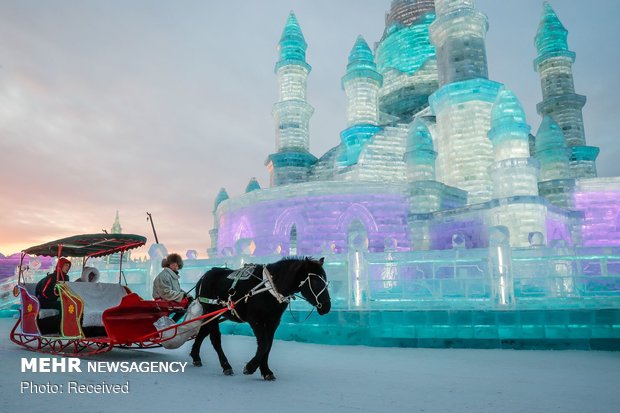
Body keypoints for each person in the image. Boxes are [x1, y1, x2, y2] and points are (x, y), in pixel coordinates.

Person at [153, 253, 191, 320]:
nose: (175, 266)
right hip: (163, 304)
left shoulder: (171, 275)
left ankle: (172, 324)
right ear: (168, 264)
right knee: (184, 308)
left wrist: (188, 295)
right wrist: (182, 295)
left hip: (170, 302)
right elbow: (166, 293)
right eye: (173, 264)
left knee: (186, 307)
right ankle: (171, 325)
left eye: (177, 264)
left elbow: (178, 290)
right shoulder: (164, 276)